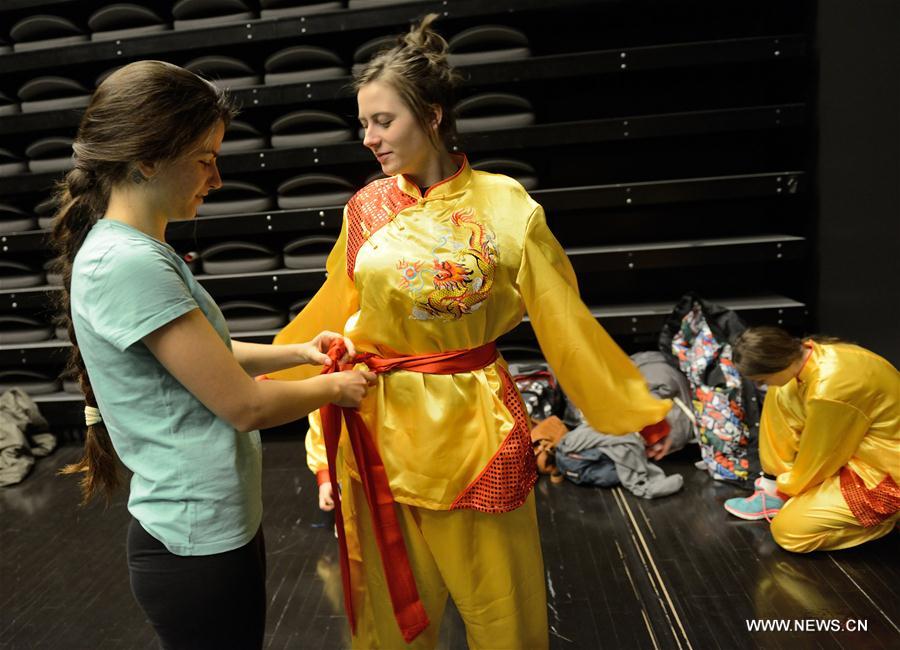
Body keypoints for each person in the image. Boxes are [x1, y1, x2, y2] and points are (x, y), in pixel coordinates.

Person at [266, 15, 672, 650]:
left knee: (502, 613)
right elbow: (331, 313)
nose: (369, 137)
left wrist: (627, 408)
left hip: (474, 426)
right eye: (364, 122)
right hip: (379, 423)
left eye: (384, 120)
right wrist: (265, 380)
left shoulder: (506, 206)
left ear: (431, 115)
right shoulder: (366, 207)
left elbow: (564, 318)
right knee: (394, 611)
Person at [52, 60, 375, 650]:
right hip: (193, 545)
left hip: (209, 531)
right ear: (147, 160)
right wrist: (336, 388)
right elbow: (244, 406)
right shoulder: (130, 263)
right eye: (204, 160)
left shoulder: (134, 250)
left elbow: (209, 359)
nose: (217, 179)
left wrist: (300, 353)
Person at [724, 327, 899, 552]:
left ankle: (887, 518)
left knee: (787, 531)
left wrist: (791, 487)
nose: (762, 386)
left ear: (776, 363)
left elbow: (821, 460)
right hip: (868, 444)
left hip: (886, 474)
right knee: (781, 392)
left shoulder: (829, 390)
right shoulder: (812, 351)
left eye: (762, 380)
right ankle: (773, 490)